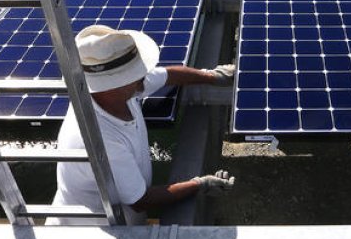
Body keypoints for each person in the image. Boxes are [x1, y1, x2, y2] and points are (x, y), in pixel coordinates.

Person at [49, 24, 236, 226]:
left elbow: (166, 75)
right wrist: (199, 184)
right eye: (132, 76)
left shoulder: (119, 92)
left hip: (122, 214)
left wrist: (212, 76)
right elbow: (140, 200)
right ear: (109, 87)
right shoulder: (100, 139)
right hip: (94, 233)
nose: (141, 80)